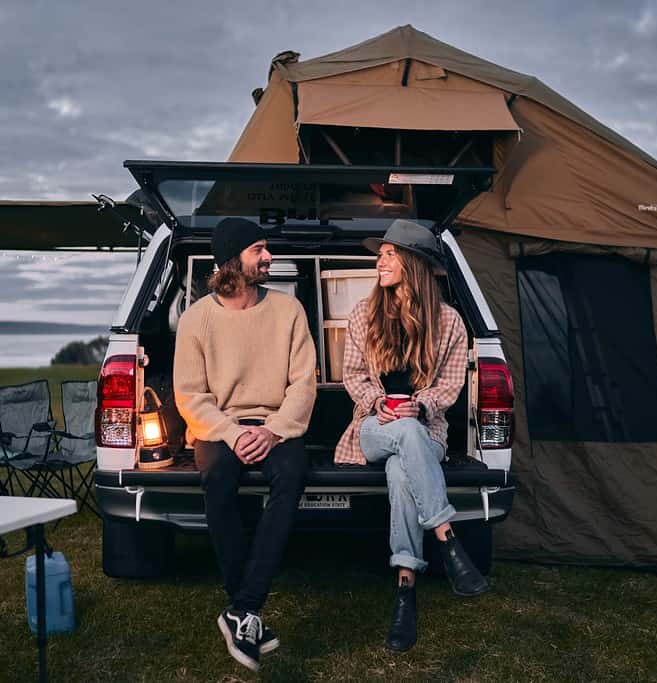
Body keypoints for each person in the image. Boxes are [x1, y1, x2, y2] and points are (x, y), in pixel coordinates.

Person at [334, 219, 489, 652]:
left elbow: (451, 386)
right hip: (370, 429)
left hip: (424, 432)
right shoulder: (364, 314)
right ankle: (446, 537)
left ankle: (405, 590)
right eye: (380, 254)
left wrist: (420, 405)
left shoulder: (449, 322)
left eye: (388, 253)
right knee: (401, 432)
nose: (379, 261)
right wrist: (380, 403)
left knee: (404, 472)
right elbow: (353, 377)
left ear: (414, 263)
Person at [173, 217, 317, 672]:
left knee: (292, 474)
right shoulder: (197, 319)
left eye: (265, 248)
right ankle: (246, 608)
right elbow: (190, 396)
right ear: (233, 261)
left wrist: (273, 430)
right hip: (219, 427)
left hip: (277, 424)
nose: (268, 257)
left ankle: (243, 606)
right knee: (216, 475)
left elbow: (303, 383)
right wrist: (234, 433)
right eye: (259, 249)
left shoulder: (288, 310)